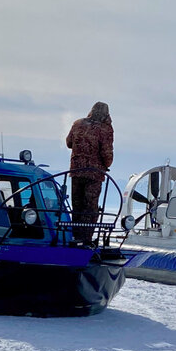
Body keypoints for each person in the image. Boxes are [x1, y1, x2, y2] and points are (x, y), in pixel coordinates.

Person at [65, 101, 114, 244]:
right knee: (90, 208)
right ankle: (85, 240)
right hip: (94, 174)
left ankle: (74, 237)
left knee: (77, 206)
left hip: (76, 171)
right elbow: (107, 153)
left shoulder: (77, 123)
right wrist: (106, 165)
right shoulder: (105, 129)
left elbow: (69, 143)